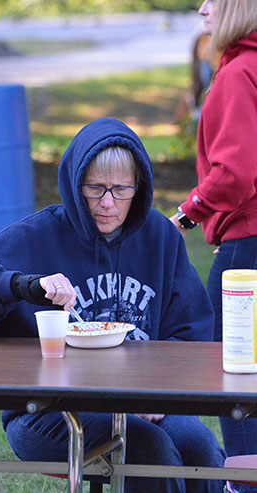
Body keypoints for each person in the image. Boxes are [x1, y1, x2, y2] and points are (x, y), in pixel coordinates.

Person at [0, 117, 225, 492]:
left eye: (121, 190)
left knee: (200, 446)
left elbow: (192, 330)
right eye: (95, 189)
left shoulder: (160, 238)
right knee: (149, 449)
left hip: (144, 405)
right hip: (46, 411)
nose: (108, 203)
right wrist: (25, 285)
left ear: (139, 187)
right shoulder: (43, 234)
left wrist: (158, 390)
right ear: (75, 184)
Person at [169, 1, 257, 491]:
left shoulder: (237, 73)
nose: (202, 7)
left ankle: (244, 483)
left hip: (246, 250)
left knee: (237, 375)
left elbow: (235, 174)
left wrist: (184, 215)